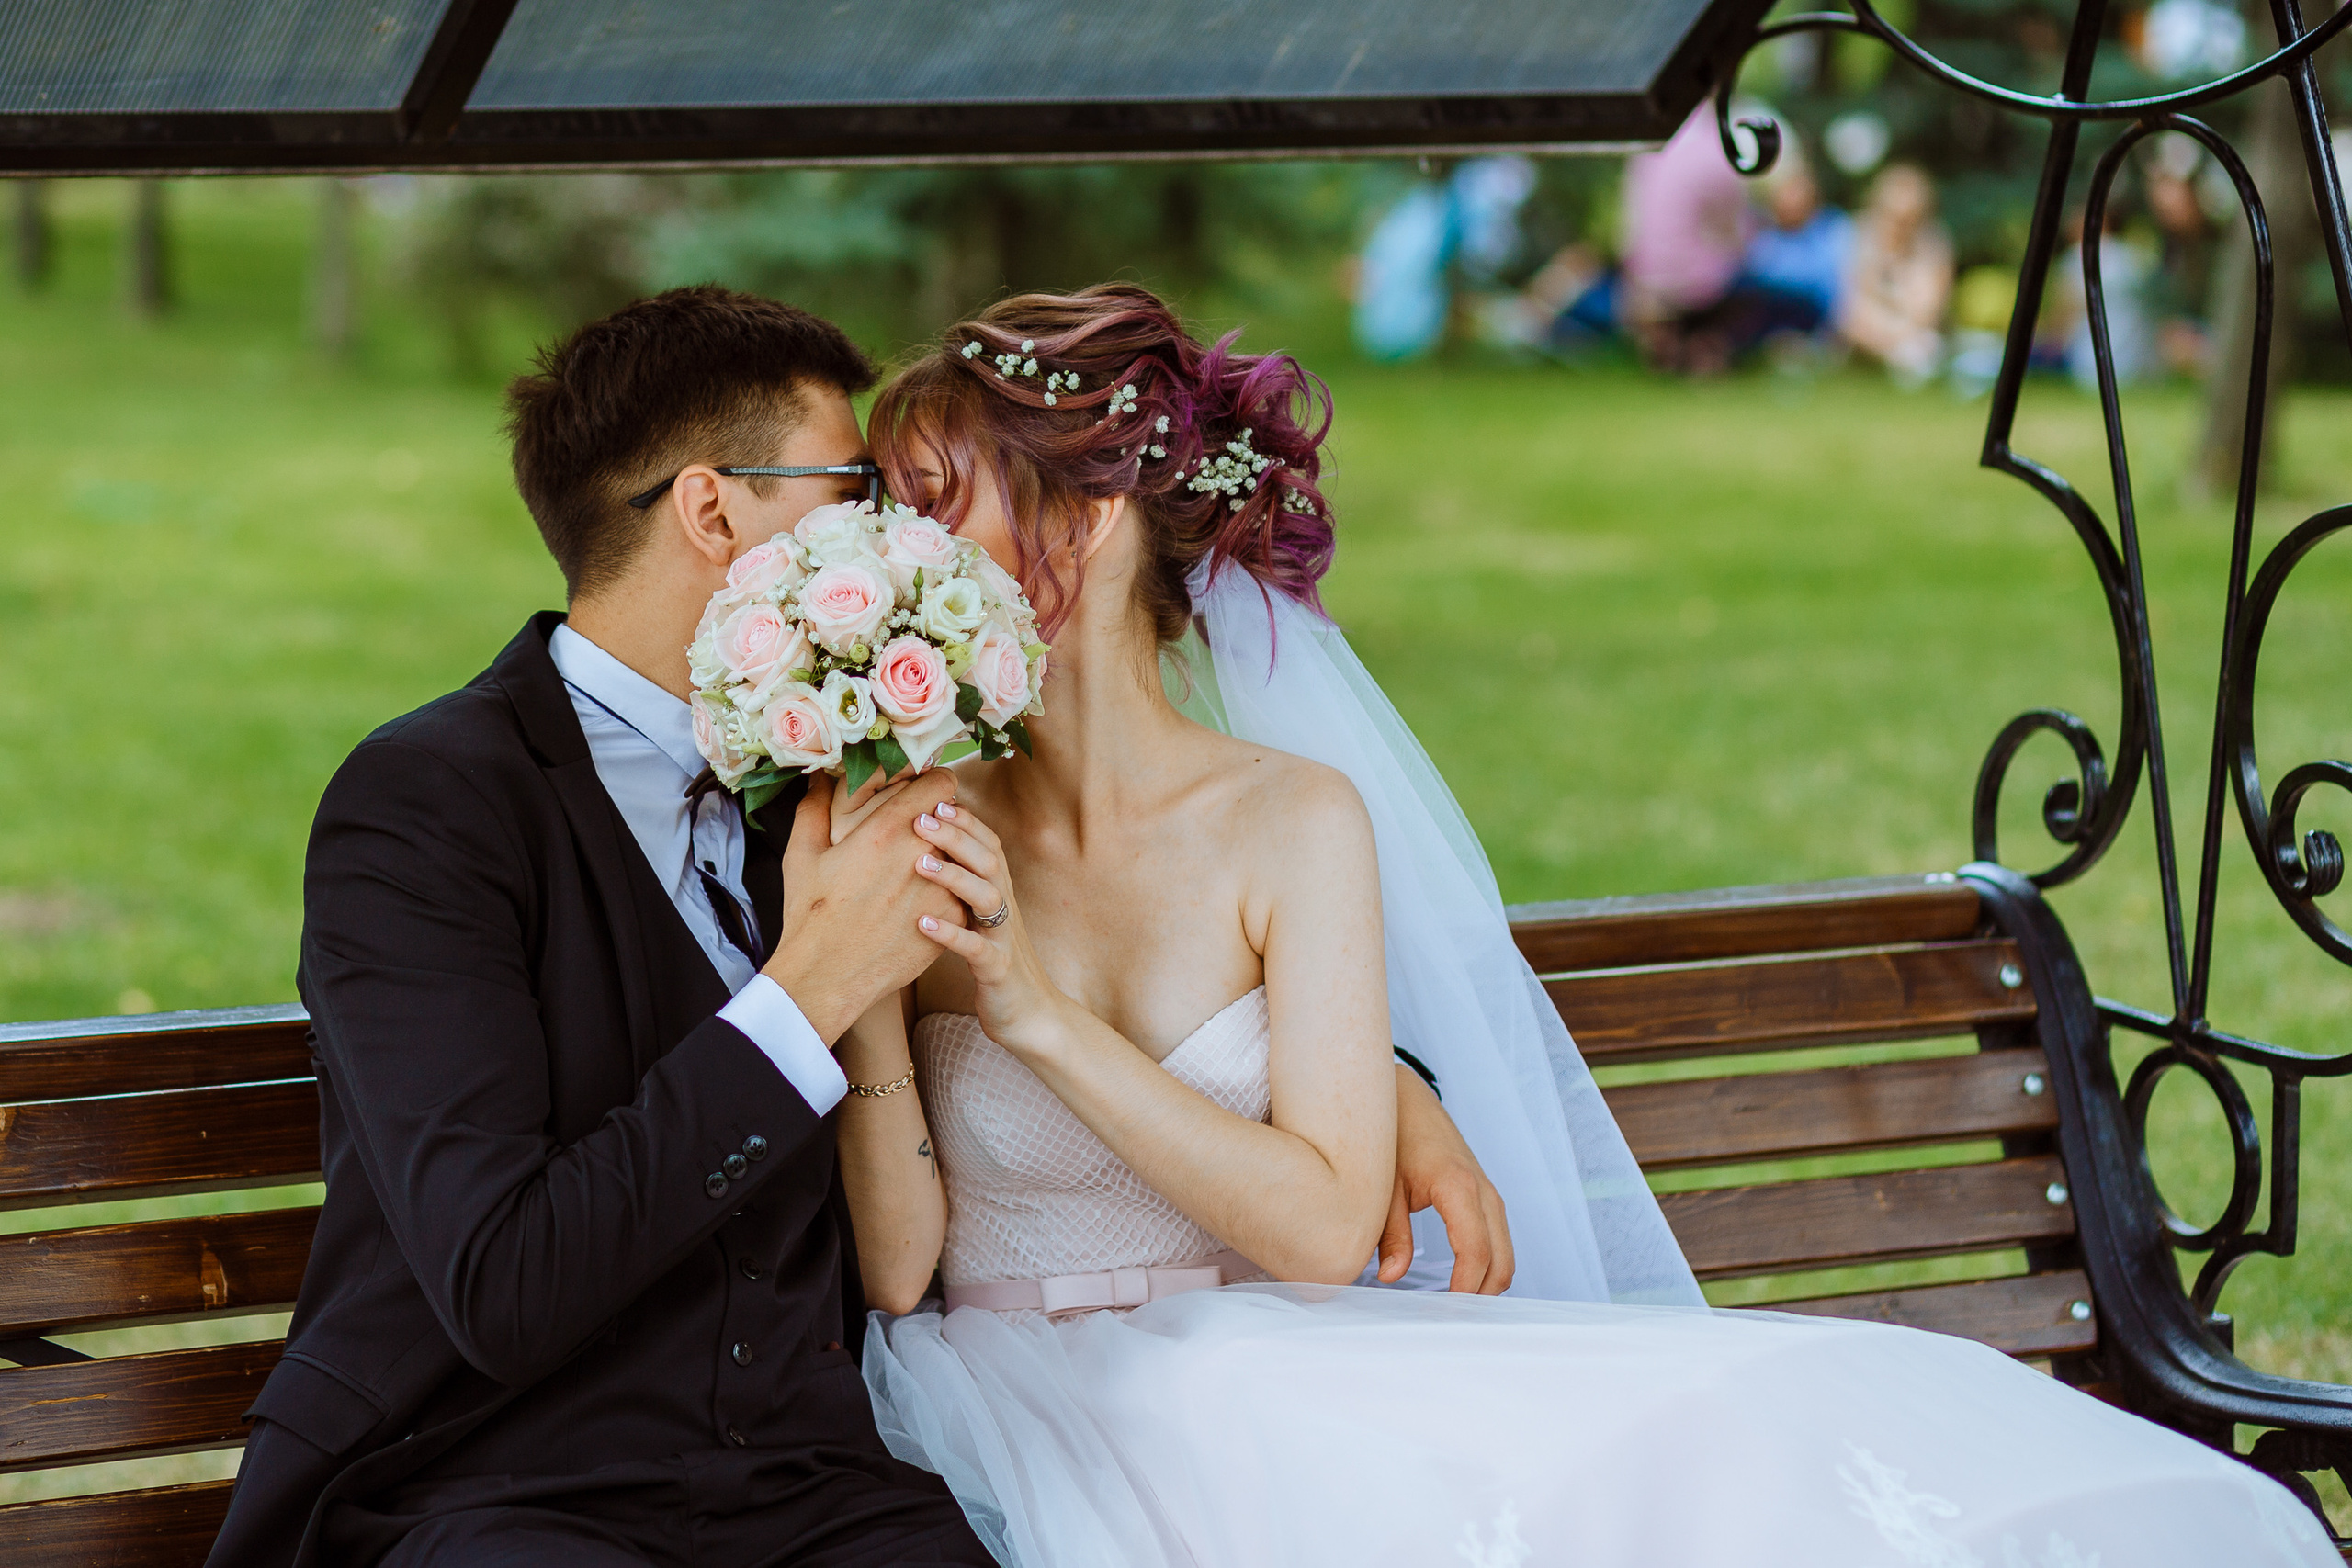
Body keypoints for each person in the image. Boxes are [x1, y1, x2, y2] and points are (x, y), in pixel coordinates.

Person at [838, 282, 2342, 1568]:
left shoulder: (1291, 820)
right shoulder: (907, 809)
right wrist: (859, 952)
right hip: (1018, 1397)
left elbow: (1311, 1226)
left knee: (1736, 1437)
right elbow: (899, 1269)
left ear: (1091, 518)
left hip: (1271, 1365)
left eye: (930, 499)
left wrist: (1031, 1011)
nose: (889, 550)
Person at [209, 285, 1510, 1568]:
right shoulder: (430, 804)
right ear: (715, 512)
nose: (898, 543)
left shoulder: (853, 771)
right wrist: (809, 986)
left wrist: (1389, 1082)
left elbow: (1135, 913)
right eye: (857, 493)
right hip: (481, 1477)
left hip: (806, 1482)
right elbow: (502, 1276)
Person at [1839, 163, 1956, 384]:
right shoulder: (1856, 236)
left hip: (1915, 334)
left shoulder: (1933, 244)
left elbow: (1931, 309)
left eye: (1909, 219)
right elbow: (1849, 307)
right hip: (1869, 334)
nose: (1900, 226)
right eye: (1893, 217)